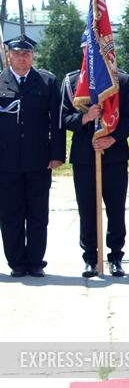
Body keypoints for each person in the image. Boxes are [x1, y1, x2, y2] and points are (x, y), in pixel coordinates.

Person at [62, 53, 129, 278]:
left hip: (114, 156)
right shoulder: (72, 81)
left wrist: (113, 138)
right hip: (85, 157)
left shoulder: (120, 80)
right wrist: (85, 118)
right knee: (87, 210)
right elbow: (63, 118)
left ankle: (115, 257)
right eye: (87, 48)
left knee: (116, 210)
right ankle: (91, 258)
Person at [0, 35, 65, 278]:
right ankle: (16, 262)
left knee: (38, 214)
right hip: (6, 163)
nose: (21, 57)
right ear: (9, 56)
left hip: (39, 160)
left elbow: (56, 123)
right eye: (17, 53)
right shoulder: (0, 82)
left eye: (26, 54)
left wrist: (57, 154)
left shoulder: (46, 82)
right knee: (10, 214)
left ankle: (36, 261)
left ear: (32, 56)